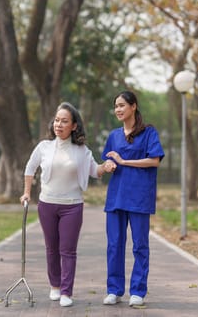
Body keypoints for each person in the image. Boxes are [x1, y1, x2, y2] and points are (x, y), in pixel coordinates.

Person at [20, 102, 115, 308]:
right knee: (51, 248)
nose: (59, 124)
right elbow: (30, 168)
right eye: (56, 120)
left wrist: (105, 167)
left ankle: (66, 291)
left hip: (72, 206)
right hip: (47, 204)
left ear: (73, 126)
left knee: (68, 250)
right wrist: (27, 192)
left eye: (64, 121)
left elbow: (94, 171)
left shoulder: (81, 150)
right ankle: (54, 286)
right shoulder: (43, 147)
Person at [102, 91, 165, 308]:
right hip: (116, 198)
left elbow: (154, 161)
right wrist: (108, 166)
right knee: (114, 245)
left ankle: (137, 291)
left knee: (140, 245)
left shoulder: (149, 132)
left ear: (134, 106)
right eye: (115, 106)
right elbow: (107, 163)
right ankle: (114, 290)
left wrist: (125, 161)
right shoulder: (113, 136)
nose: (118, 109)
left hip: (139, 197)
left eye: (121, 105)